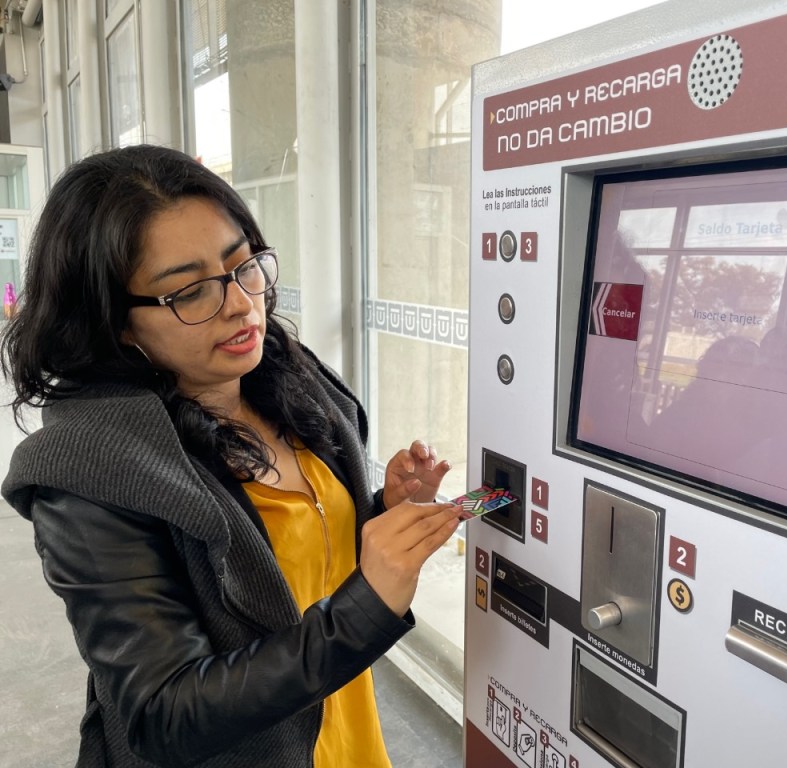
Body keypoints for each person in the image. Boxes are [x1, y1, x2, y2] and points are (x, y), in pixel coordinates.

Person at [0, 144, 463, 768]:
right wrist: (365, 611)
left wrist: (384, 511)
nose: (243, 303)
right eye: (191, 292)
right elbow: (164, 715)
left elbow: (298, 563)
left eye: (245, 266)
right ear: (115, 322)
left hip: (346, 740)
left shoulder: (289, 382)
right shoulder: (89, 472)